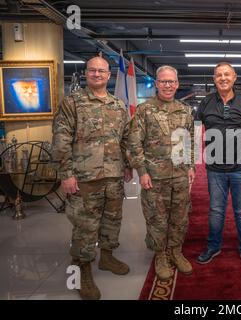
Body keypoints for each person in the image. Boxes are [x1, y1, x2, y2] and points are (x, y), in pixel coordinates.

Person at [51, 56, 132, 300]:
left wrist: (127, 165)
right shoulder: (73, 102)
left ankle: (106, 257)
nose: (97, 74)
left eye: (102, 71)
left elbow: (125, 137)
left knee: (112, 221)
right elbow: (60, 139)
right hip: (84, 178)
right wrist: (66, 174)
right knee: (85, 226)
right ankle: (82, 269)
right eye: (92, 70)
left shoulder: (118, 106)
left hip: (113, 175)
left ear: (109, 76)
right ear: (86, 73)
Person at [128, 65, 195, 281]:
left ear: (177, 84)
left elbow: (190, 140)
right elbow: (134, 143)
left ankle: (175, 251)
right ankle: (160, 255)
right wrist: (142, 171)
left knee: (179, 217)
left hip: (180, 175)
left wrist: (191, 165)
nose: (168, 85)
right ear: (157, 84)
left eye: (171, 81)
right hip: (154, 177)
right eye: (163, 81)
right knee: (156, 218)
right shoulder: (144, 109)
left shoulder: (185, 110)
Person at [195, 62, 241, 271]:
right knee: (216, 210)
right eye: (218, 75)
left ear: (234, 77)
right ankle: (213, 246)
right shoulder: (205, 103)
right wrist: (192, 161)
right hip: (215, 170)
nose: (222, 78)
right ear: (214, 79)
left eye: (226, 74)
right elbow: (197, 133)